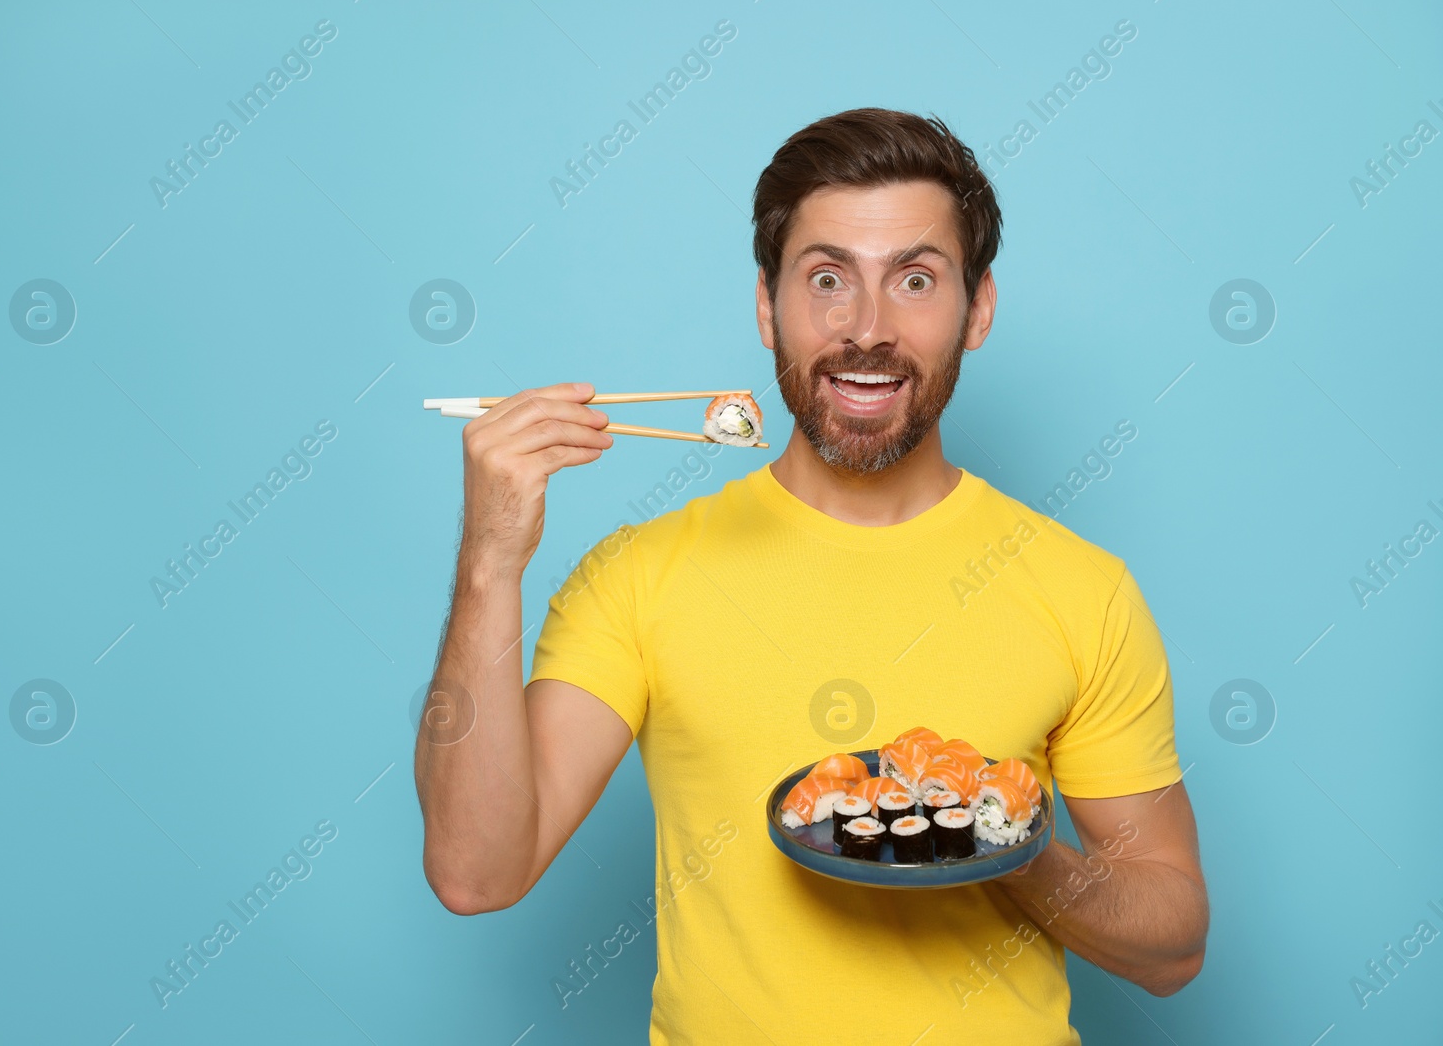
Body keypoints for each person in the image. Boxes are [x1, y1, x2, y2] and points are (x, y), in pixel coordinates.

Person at [415, 107, 1207, 1043]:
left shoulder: (1083, 589)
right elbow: (476, 870)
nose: (866, 329)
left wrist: (998, 847)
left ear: (979, 308)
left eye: (915, 279)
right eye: (827, 278)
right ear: (766, 305)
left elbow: (1173, 943)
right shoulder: (641, 575)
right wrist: (487, 564)